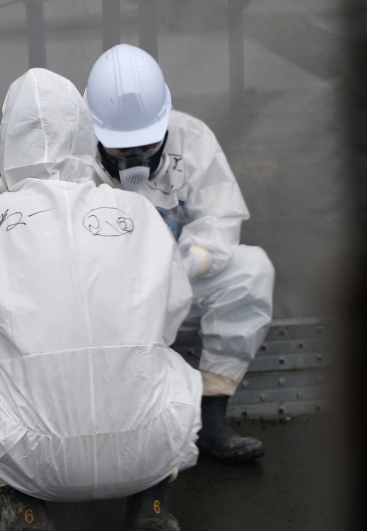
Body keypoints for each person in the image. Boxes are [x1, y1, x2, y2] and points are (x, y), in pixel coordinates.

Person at [0, 68, 201, 531]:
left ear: (5, 141)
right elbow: (169, 320)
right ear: (87, 136)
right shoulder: (138, 213)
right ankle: (152, 500)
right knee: (171, 366)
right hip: (145, 445)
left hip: (28, 454)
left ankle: (16, 504)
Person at [83, 44, 275, 463]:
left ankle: (212, 415)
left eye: (147, 145)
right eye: (119, 149)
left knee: (250, 267)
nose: (134, 158)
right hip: (101, 306)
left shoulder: (193, 138)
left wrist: (186, 264)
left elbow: (221, 219)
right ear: (93, 130)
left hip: (174, 291)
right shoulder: (71, 157)